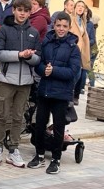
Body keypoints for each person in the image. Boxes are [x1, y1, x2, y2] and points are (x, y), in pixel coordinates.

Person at [0, 0, 40, 167]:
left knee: (19, 117)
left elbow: (38, 58)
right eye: (20, 10)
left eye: (26, 11)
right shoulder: (4, 29)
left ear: (29, 13)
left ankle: (14, 149)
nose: (22, 14)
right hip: (6, 79)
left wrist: (30, 57)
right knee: (2, 115)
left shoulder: (34, 32)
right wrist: (19, 55)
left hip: (25, 82)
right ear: (14, 10)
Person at [29, 14, 81, 174]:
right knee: (39, 125)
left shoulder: (73, 47)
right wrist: (43, 69)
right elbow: (39, 63)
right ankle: (39, 155)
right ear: (54, 25)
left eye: (64, 26)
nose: (61, 29)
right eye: (58, 25)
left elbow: (73, 71)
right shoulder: (46, 43)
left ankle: (56, 159)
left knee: (59, 128)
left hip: (61, 94)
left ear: (69, 28)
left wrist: (54, 71)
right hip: (45, 91)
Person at [70, 0, 92, 104]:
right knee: (75, 72)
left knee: (78, 73)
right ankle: (69, 93)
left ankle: (71, 93)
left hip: (80, 51)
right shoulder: (71, 18)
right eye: (78, 6)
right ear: (74, 8)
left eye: (82, 7)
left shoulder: (83, 21)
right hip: (72, 49)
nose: (80, 8)